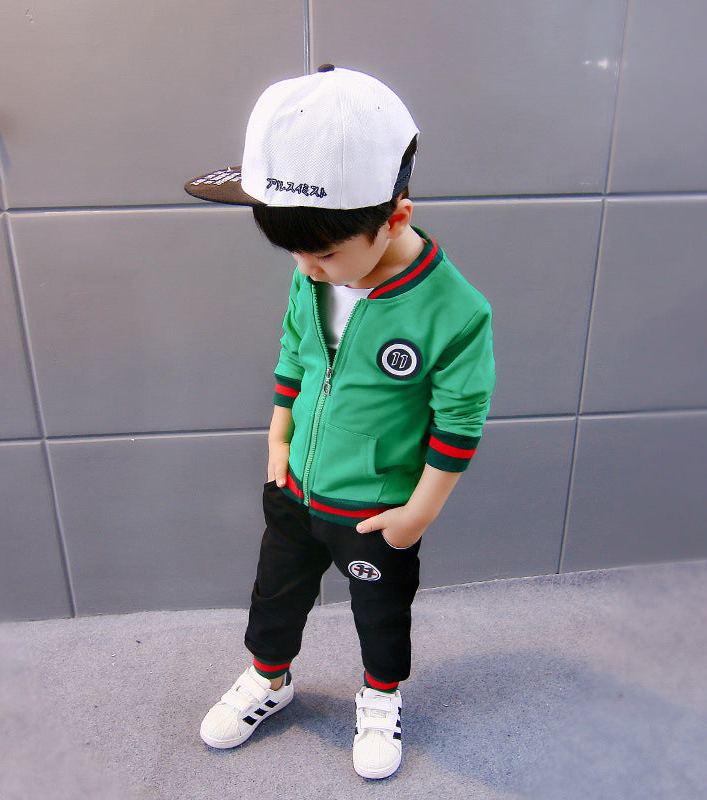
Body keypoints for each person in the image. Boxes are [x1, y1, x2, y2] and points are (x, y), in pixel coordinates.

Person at [184, 64, 495, 780]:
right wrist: (279, 432)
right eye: (295, 252)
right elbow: (295, 346)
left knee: (381, 615)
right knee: (274, 597)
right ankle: (269, 679)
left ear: (395, 218)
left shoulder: (455, 311)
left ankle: (381, 696)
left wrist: (417, 514)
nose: (308, 268)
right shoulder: (312, 274)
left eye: (323, 253)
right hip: (296, 489)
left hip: (376, 510)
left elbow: (460, 418)